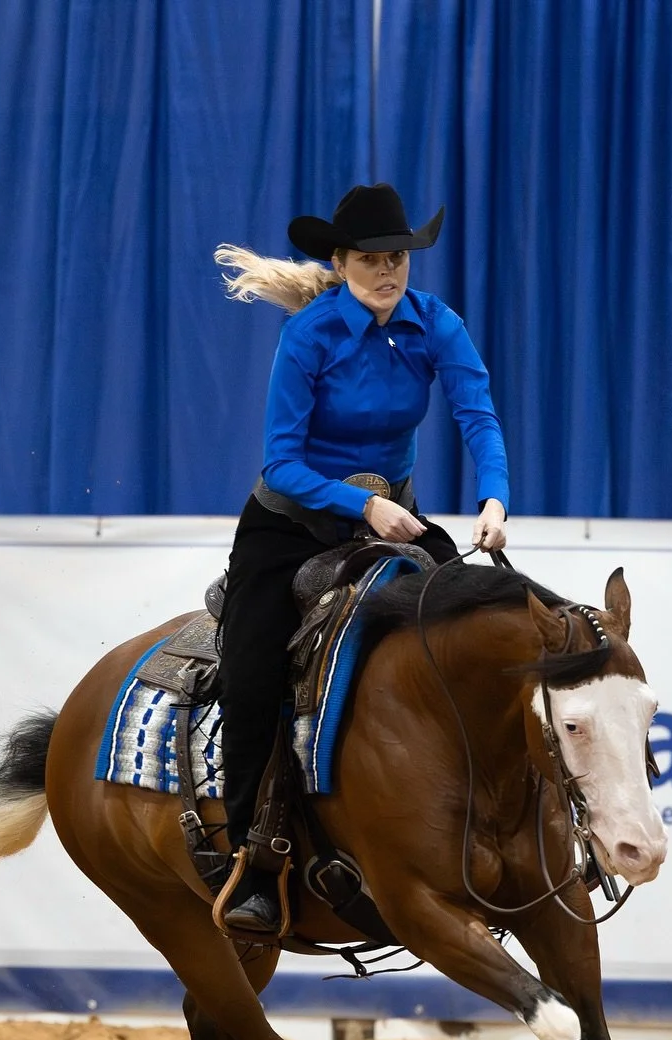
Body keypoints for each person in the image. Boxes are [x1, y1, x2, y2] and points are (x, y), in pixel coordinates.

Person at [213, 183, 510, 930]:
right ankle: (252, 859)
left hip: (392, 516)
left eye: (398, 259)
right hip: (292, 523)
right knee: (249, 673)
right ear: (341, 261)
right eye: (371, 259)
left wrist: (495, 499)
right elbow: (280, 465)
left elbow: (478, 413)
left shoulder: (435, 324)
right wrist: (366, 505)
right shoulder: (308, 336)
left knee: (454, 641)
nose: (388, 272)